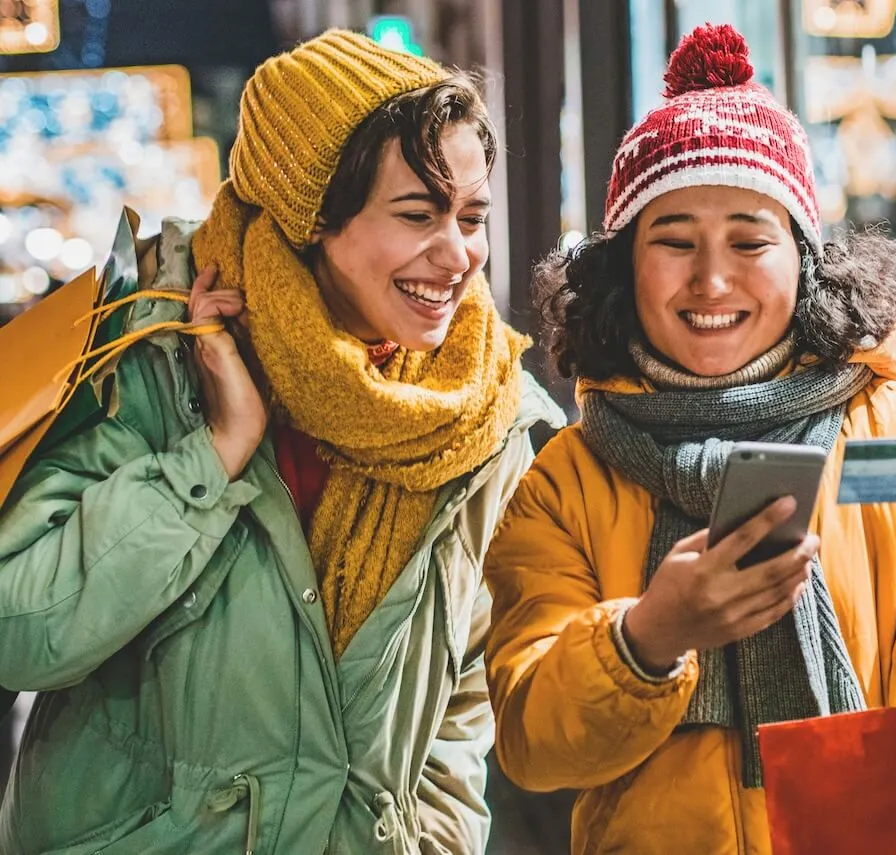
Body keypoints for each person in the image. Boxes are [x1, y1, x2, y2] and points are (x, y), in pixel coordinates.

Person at [0, 30, 560, 854]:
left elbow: (455, 706)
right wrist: (213, 455)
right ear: (309, 220)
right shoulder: (149, 352)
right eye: (418, 215)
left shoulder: (478, 413)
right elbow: (21, 627)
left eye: (472, 217)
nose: (458, 255)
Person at [483, 24, 896, 854]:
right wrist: (649, 636)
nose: (711, 279)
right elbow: (532, 741)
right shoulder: (568, 476)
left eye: (750, 240)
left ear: (806, 260)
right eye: (672, 242)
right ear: (624, 264)